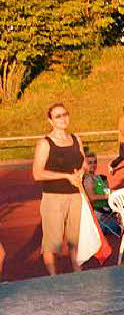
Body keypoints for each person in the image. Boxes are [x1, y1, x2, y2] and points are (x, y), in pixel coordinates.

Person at [32, 103, 86, 276]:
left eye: (65, 114)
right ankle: (53, 278)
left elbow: (83, 162)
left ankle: (77, 272)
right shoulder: (45, 143)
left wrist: (81, 173)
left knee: (75, 239)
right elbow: (37, 173)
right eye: (58, 116)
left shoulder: (77, 139)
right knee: (53, 242)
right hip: (54, 197)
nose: (63, 119)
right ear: (50, 121)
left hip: (76, 196)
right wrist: (66, 176)